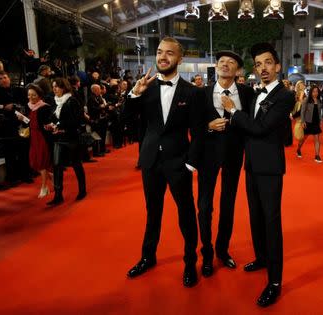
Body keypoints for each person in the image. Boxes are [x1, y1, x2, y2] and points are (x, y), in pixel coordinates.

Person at [124, 37, 205, 288]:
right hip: (150, 161)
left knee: (186, 213)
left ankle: (190, 261)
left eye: (169, 53)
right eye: (159, 52)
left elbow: (199, 132)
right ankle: (148, 257)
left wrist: (190, 164)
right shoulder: (144, 89)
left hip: (178, 162)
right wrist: (134, 94)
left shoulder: (192, 92)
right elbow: (124, 121)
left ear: (179, 59)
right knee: (153, 212)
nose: (163, 57)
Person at [222, 42, 294, 307]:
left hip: (270, 168)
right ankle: (262, 257)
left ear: (277, 66)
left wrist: (232, 111)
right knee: (256, 217)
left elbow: (261, 128)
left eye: (267, 63)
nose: (263, 68)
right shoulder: (254, 93)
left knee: (272, 223)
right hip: (250, 165)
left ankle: (275, 281)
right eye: (258, 64)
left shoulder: (285, 95)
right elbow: (246, 128)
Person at [197, 50, 254, 278]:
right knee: (204, 206)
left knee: (228, 205)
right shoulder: (201, 94)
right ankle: (207, 253)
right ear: (216, 66)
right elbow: (192, 124)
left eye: (231, 63)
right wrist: (207, 126)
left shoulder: (247, 93)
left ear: (238, 70)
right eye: (221, 61)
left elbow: (250, 123)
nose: (225, 65)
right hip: (207, 155)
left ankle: (222, 249)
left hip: (233, 155)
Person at [45, 77, 86, 205]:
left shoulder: (72, 100)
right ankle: (58, 195)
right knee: (57, 166)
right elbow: (53, 118)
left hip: (71, 137)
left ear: (64, 87)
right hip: (58, 138)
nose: (54, 89)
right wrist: (50, 125)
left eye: (57, 86)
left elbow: (77, 120)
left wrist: (60, 126)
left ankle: (82, 190)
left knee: (76, 164)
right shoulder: (54, 101)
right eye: (53, 86)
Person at [26, 84, 53, 198]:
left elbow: (48, 123)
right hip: (33, 136)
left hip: (42, 137)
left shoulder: (45, 107)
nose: (31, 97)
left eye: (34, 95)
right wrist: (23, 119)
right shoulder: (28, 106)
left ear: (39, 95)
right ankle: (51, 176)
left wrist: (49, 126)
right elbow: (29, 122)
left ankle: (44, 187)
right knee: (34, 161)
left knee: (42, 162)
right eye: (29, 95)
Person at [298, 85, 323, 162]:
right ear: (311, 92)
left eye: (317, 92)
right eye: (314, 91)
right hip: (308, 122)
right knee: (303, 139)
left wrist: (320, 120)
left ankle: (317, 155)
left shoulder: (319, 101)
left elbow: (319, 112)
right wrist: (302, 121)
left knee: (317, 139)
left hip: (316, 122)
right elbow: (302, 111)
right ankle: (298, 149)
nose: (315, 93)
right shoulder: (306, 100)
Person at [292, 80, 306, 157]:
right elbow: (301, 102)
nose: (303, 85)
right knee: (303, 135)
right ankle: (298, 149)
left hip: (302, 112)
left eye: (303, 84)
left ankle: (299, 149)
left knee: (304, 135)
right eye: (301, 84)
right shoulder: (301, 93)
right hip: (301, 111)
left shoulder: (300, 93)